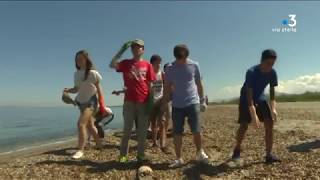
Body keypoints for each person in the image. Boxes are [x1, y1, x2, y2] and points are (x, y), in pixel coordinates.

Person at [162, 44, 209, 168]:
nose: (183, 60)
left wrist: (203, 101)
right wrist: (165, 103)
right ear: (176, 56)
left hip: (193, 102)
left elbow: (199, 84)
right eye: (180, 58)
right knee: (177, 133)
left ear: (187, 55)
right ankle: (179, 159)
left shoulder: (194, 65)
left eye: (184, 57)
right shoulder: (170, 68)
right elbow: (166, 88)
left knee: (196, 130)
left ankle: (200, 153)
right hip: (177, 105)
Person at [231, 49, 281, 164]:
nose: (270, 66)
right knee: (244, 126)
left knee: (270, 123)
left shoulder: (273, 73)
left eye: (273, 64)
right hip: (246, 98)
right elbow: (249, 94)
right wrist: (253, 114)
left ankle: (269, 155)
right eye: (268, 63)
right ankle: (237, 149)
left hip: (260, 97)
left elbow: (272, 93)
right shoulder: (251, 71)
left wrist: (273, 108)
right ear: (262, 61)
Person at [109, 39, 155, 163]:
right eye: (133, 47)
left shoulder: (148, 65)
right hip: (129, 102)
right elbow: (112, 64)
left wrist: (151, 103)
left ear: (143, 49)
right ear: (131, 49)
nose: (136, 49)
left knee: (142, 132)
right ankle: (123, 156)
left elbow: (150, 85)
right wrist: (121, 50)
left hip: (144, 101)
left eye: (139, 47)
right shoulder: (125, 63)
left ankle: (141, 156)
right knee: (127, 131)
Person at [64, 50, 106, 159]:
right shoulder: (76, 74)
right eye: (77, 59)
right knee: (90, 126)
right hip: (81, 102)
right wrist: (68, 90)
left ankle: (80, 150)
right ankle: (99, 144)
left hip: (92, 102)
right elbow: (77, 89)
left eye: (81, 59)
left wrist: (102, 105)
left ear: (86, 60)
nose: (79, 61)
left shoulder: (93, 73)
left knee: (80, 124)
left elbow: (99, 89)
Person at [149, 55, 168, 151]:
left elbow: (166, 86)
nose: (159, 64)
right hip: (151, 102)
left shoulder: (162, 74)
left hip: (161, 100)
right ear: (152, 63)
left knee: (162, 122)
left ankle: (163, 144)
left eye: (160, 62)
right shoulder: (148, 74)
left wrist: (165, 99)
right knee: (153, 123)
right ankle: (154, 142)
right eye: (157, 62)